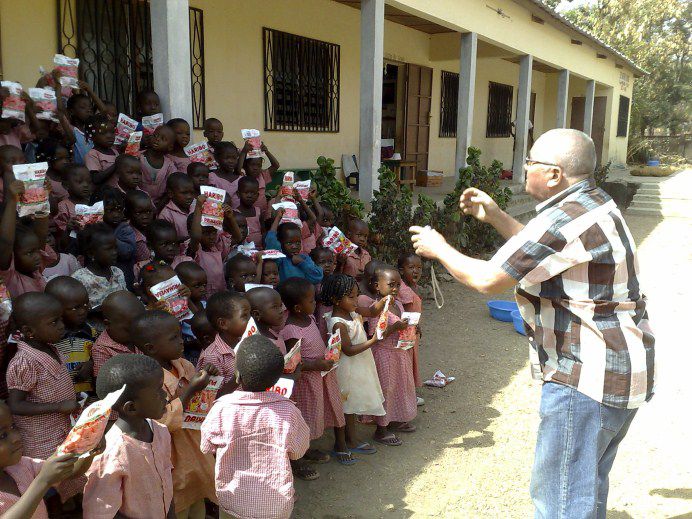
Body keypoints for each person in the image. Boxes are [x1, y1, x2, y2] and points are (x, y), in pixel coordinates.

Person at [410, 128, 655, 518]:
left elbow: (488, 279)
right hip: (621, 369)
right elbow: (545, 250)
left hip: (585, 378)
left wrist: (439, 248)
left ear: (555, 174)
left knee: (560, 500)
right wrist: (496, 216)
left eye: (530, 163)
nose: (523, 168)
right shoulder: (591, 203)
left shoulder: (564, 219)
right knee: (585, 488)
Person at [201, 334, 310, 519]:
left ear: (237, 376)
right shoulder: (288, 411)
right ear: (277, 380)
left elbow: (206, 446)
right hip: (275, 504)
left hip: (233, 501)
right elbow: (298, 451)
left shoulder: (221, 408)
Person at [133, 310, 218, 517]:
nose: (182, 341)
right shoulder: (146, 378)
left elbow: (202, 404)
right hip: (171, 452)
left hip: (195, 444)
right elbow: (159, 420)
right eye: (173, 338)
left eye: (180, 335)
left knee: (198, 493)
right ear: (150, 348)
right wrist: (190, 391)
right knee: (177, 500)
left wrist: (209, 381)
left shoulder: (184, 365)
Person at [83, 353, 175, 518]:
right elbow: (101, 512)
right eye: (157, 391)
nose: (165, 395)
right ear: (131, 408)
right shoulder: (111, 453)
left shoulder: (160, 431)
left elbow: (166, 482)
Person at [277, 277, 350, 479]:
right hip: (306, 381)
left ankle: (305, 449)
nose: (315, 303)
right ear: (298, 307)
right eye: (311, 300)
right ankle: (297, 462)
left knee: (317, 413)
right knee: (305, 418)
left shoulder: (309, 319)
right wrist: (316, 364)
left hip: (321, 376)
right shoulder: (291, 329)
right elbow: (292, 362)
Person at [6, 293, 78, 460]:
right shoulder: (25, 362)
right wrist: (59, 407)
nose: (61, 326)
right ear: (29, 331)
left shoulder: (51, 347)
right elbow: (15, 405)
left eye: (61, 319)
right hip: (41, 440)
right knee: (51, 475)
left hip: (60, 429)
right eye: (54, 322)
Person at [0, 400, 99, 519]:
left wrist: (89, 449)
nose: (16, 437)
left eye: (13, 427)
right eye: (2, 435)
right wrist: (42, 481)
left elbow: (71, 471)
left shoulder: (22, 465)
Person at [322, 274, 384, 454]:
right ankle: (348, 442)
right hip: (347, 369)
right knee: (346, 406)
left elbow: (372, 311)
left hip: (358, 366)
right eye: (351, 297)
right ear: (335, 300)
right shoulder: (338, 323)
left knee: (352, 404)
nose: (356, 300)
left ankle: (351, 439)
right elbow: (347, 349)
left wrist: (386, 300)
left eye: (357, 296)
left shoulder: (352, 312)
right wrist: (374, 341)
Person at [360, 266, 415, 446]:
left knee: (400, 387)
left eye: (398, 285)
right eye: (391, 285)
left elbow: (403, 322)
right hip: (384, 354)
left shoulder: (397, 304)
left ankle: (396, 418)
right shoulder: (377, 308)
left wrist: (413, 326)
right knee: (386, 390)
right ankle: (381, 429)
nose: (395, 289)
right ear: (377, 286)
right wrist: (395, 328)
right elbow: (376, 334)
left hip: (399, 353)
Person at [45, 276, 97, 395]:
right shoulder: (50, 338)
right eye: (75, 308)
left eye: (85, 304)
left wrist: (91, 364)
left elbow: (99, 354)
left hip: (89, 396)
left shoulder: (92, 332)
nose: (83, 311)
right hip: (61, 398)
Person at [0, 181, 52, 296]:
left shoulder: (35, 270)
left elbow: (42, 233)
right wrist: (13, 200)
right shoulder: (8, 277)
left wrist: (42, 197)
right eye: (29, 253)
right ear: (12, 255)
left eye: (36, 250)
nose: (38, 256)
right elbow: (6, 242)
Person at [197, 290, 251, 391]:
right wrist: (239, 376)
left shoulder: (248, 340)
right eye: (244, 316)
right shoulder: (213, 356)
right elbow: (212, 396)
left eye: (250, 314)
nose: (251, 319)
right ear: (223, 324)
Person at [71, 223, 127, 308]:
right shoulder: (80, 279)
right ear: (91, 253)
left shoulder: (117, 272)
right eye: (108, 249)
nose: (115, 252)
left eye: (115, 248)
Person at [91, 290, 145, 377]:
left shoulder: (141, 331)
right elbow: (106, 385)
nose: (136, 332)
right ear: (107, 324)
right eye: (129, 329)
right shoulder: (102, 350)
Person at [265, 210, 323, 284]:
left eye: (298, 242)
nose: (294, 246)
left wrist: (302, 263)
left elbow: (317, 277)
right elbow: (271, 240)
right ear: (280, 243)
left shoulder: (304, 258)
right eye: (289, 243)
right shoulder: (280, 260)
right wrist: (278, 218)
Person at [397, 252, 424, 394]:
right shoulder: (404, 290)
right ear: (401, 270)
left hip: (413, 331)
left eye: (419, 267)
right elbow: (404, 314)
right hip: (406, 333)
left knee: (410, 359)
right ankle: (405, 393)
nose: (416, 271)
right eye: (411, 267)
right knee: (406, 361)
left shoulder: (412, 286)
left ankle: (408, 392)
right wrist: (414, 325)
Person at [237, 141, 279, 217]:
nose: (255, 168)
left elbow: (276, 165)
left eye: (259, 165)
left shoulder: (262, 175)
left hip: (262, 213)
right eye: (252, 165)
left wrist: (267, 152)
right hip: (247, 214)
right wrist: (244, 152)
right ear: (245, 166)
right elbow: (238, 169)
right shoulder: (243, 177)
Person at [139, 125, 176, 207]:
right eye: (155, 135)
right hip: (136, 202)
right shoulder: (138, 157)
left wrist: (158, 208)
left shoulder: (169, 166)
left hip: (158, 205)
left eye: (163, 139)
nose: (157, 139)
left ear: (170, 147)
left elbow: (170, 190)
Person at [159, 173, 196, 243]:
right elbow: (169, 241)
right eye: (184, 193)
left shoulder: (196, 204)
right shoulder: (166, 215)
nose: (189, 197)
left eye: (192, 193)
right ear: (171, 193)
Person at [84, 114, 118, 186]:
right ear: (91, 136)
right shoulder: (92, 154)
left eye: (112, 132)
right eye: (103, 133)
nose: (109, 136)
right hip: (105, 195)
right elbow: (95, 179)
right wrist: (117, 164)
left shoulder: (115, 152)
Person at [124, 190, 154, 262]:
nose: (145, 217)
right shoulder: (130, 236)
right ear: (128, 213)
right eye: (139, 213)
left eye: (149, 212)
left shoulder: (154, 229)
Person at [234, 176, 264, 247]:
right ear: (238, 194)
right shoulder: (235, 213)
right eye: (246, 192)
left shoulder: (258, 212)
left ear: (257, 195)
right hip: (241, 249)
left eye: (253, 193)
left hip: (258, 248)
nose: (250, 196)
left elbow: (263, 231)